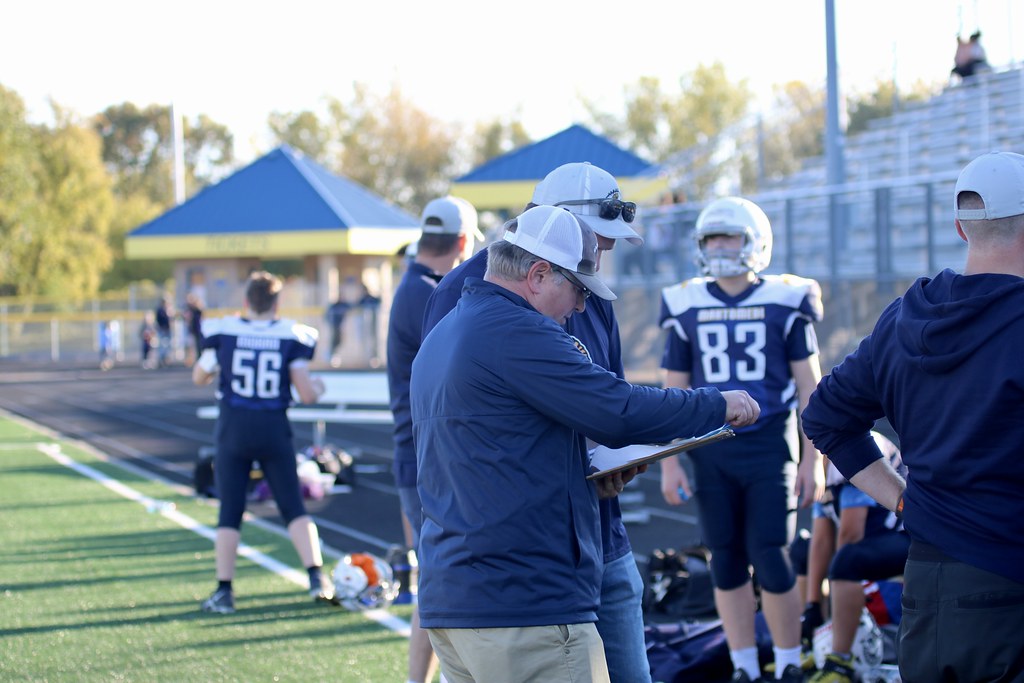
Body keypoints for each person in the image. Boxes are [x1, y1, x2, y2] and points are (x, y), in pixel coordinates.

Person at [412, 205, 759, 683]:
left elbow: (493, 461)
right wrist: (716, 404)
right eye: (577, 289)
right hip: (525, 603)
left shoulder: (446, 332)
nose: (579, 307)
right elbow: (618, 410)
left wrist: (584, 478)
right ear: (538, 274)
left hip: (456, 600)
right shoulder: (517, 330)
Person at [421, 161, 657, 683]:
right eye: (597, 239)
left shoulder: (588, 289)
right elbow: (464, 423)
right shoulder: (464, 294)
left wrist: (615, 459)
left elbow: (608, 405)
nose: (603, 256)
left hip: (598, 537)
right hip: (523, 563)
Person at [802, 151, 1024, 682]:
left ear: (960, 228)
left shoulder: (905, 316)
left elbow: (824, 417)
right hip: (1009, 581)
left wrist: (900, 497)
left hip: (926, 581)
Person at [657, 196, 825, 683]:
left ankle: (790, 661)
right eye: (712, 239)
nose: (721, 247)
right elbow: (673, 389)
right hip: (710, 447)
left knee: (771, 551)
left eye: (729, 236)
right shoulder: (686, 301)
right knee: (723, 555)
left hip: (770, 443)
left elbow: (811, 389)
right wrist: (669, 462)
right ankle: (745, 665)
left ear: (757, 241)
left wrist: (813, 460)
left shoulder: (786, 299)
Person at [192, 270, 336, 614]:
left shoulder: (224, 331)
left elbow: (199, 376)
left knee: (230, 508)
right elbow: (305, 392)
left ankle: (225, 591)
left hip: (233, 428)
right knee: (292, 506)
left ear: (246, 300)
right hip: (273, 427)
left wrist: (216, 369)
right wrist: (316, 388)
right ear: (277, 302)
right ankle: (317, 578)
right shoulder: (292, 335)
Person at [386, 195, 480, 683]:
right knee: (443, 582)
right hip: (430, 458)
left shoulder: (415, 287)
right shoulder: (430, 294)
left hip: (417, 453)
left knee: (437, 579)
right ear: (463, 241)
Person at [807, 434, 908, 683]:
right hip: (873, 538)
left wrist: (834, 607)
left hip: (907, 535)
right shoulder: (820, 461)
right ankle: (812, 643)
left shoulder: (850, 445)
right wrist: (812, 605)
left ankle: (840, 659)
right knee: (802, 553)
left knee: (846, 562)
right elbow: (821, 541)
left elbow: (851, 533)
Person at [324, 296, 350, 367]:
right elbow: (326, 315)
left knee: (339, 341)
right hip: (335, 326)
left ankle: (335, 356)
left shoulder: (344, 305)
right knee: (334, 341)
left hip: (341, 327)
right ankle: (331, 356)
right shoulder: (333, 306)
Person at [183, 293, 204, 367]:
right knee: (190, 346)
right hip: (191, 330)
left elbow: (200, 313)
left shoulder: (197, 309)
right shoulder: (189, 309)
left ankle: (199, 360)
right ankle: (190, 360)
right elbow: (186, 317)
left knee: (198, 346)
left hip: (197, 330)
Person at [154, 295, 173, 367]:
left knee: (167, 346)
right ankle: (161, 360)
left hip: (167, 330)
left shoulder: (166, 310)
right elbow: (161, 320)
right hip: (163, 330)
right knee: (163, 346)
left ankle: (165, 360)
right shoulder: (160, 310)